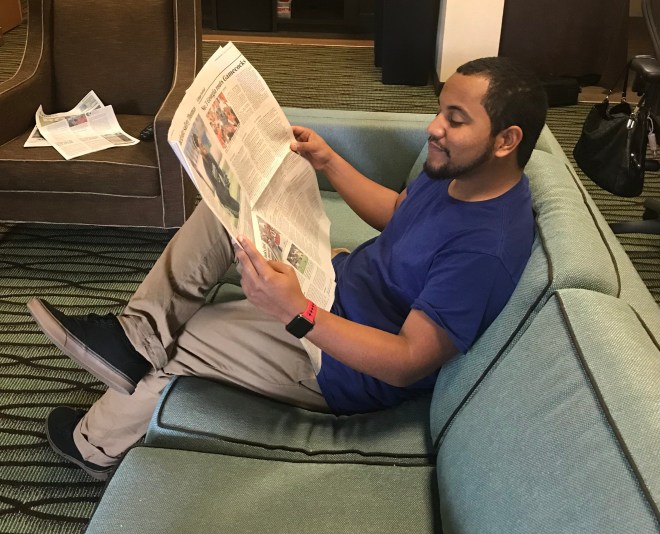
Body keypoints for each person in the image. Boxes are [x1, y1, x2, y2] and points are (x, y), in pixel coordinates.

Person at [27, 57, 548, 480]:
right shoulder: (457, 171)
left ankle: (92, 447)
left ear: (506, 140)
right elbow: (399, 214)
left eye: (455, 120)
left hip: (340, 366)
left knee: (188, 338)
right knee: (222, 210)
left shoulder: (486, 250)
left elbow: (407, 361)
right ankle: (134, 336)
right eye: (439, 111)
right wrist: (329, 162)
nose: (434, 128)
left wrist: (297, 312)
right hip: (334, 282)